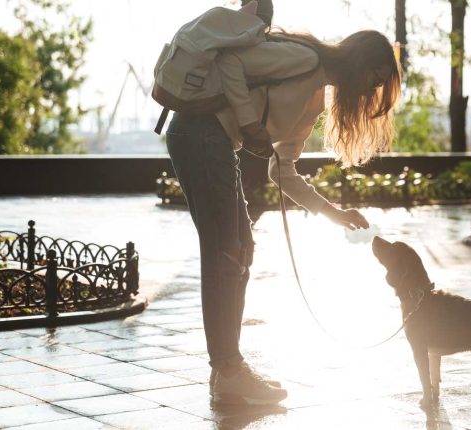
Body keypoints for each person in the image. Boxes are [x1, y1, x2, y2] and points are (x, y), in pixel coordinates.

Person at [165, 17, 401, 405]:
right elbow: (230, 63)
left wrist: (335, 214)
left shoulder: (315, 99)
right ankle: (228, 371)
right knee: (226, 254)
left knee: (240, 250)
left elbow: (282, 170)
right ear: (360, 61)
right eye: (375, 81)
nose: (371, 93)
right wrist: (248, 123)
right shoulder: (302, 59)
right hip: (199, 132)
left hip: (215, 141)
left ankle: (227, 372)